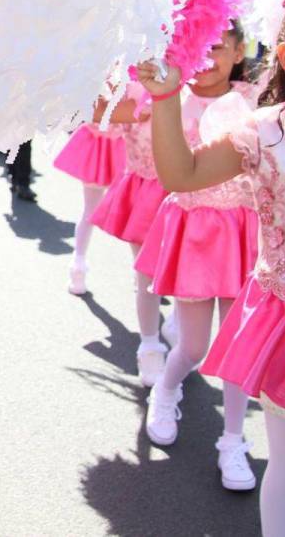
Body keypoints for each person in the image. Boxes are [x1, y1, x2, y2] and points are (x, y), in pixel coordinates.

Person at [136, 0, 285, 537]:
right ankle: (221, 431)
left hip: (258, 270)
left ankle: (232, 440)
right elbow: (181, 173)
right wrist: (165, 99)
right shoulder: (265, 133)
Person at [135, 25, 260, 491]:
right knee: (195, 345)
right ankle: (166, 389)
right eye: (201, 48)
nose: (209, 59)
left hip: (245, 233)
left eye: (220, 49)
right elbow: (168, 162)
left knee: (237, 347)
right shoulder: (176, 94)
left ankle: (233, 441)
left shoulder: (255, 98)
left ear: (237, 53)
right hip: (195, 230)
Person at [89, 83, 169, 386]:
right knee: (147, 275)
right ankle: (150, 345)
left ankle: (176, 335)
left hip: (194, 197)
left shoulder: (223, 92)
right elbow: (99, 109)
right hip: (145, 188)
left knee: (183, 278)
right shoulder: (136, 81)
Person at [53, 110, 126, 294]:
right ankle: (141, 274)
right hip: (121, 143)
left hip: (98, 141)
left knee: (90, 209)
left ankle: (78, 264)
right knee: (132, 209)